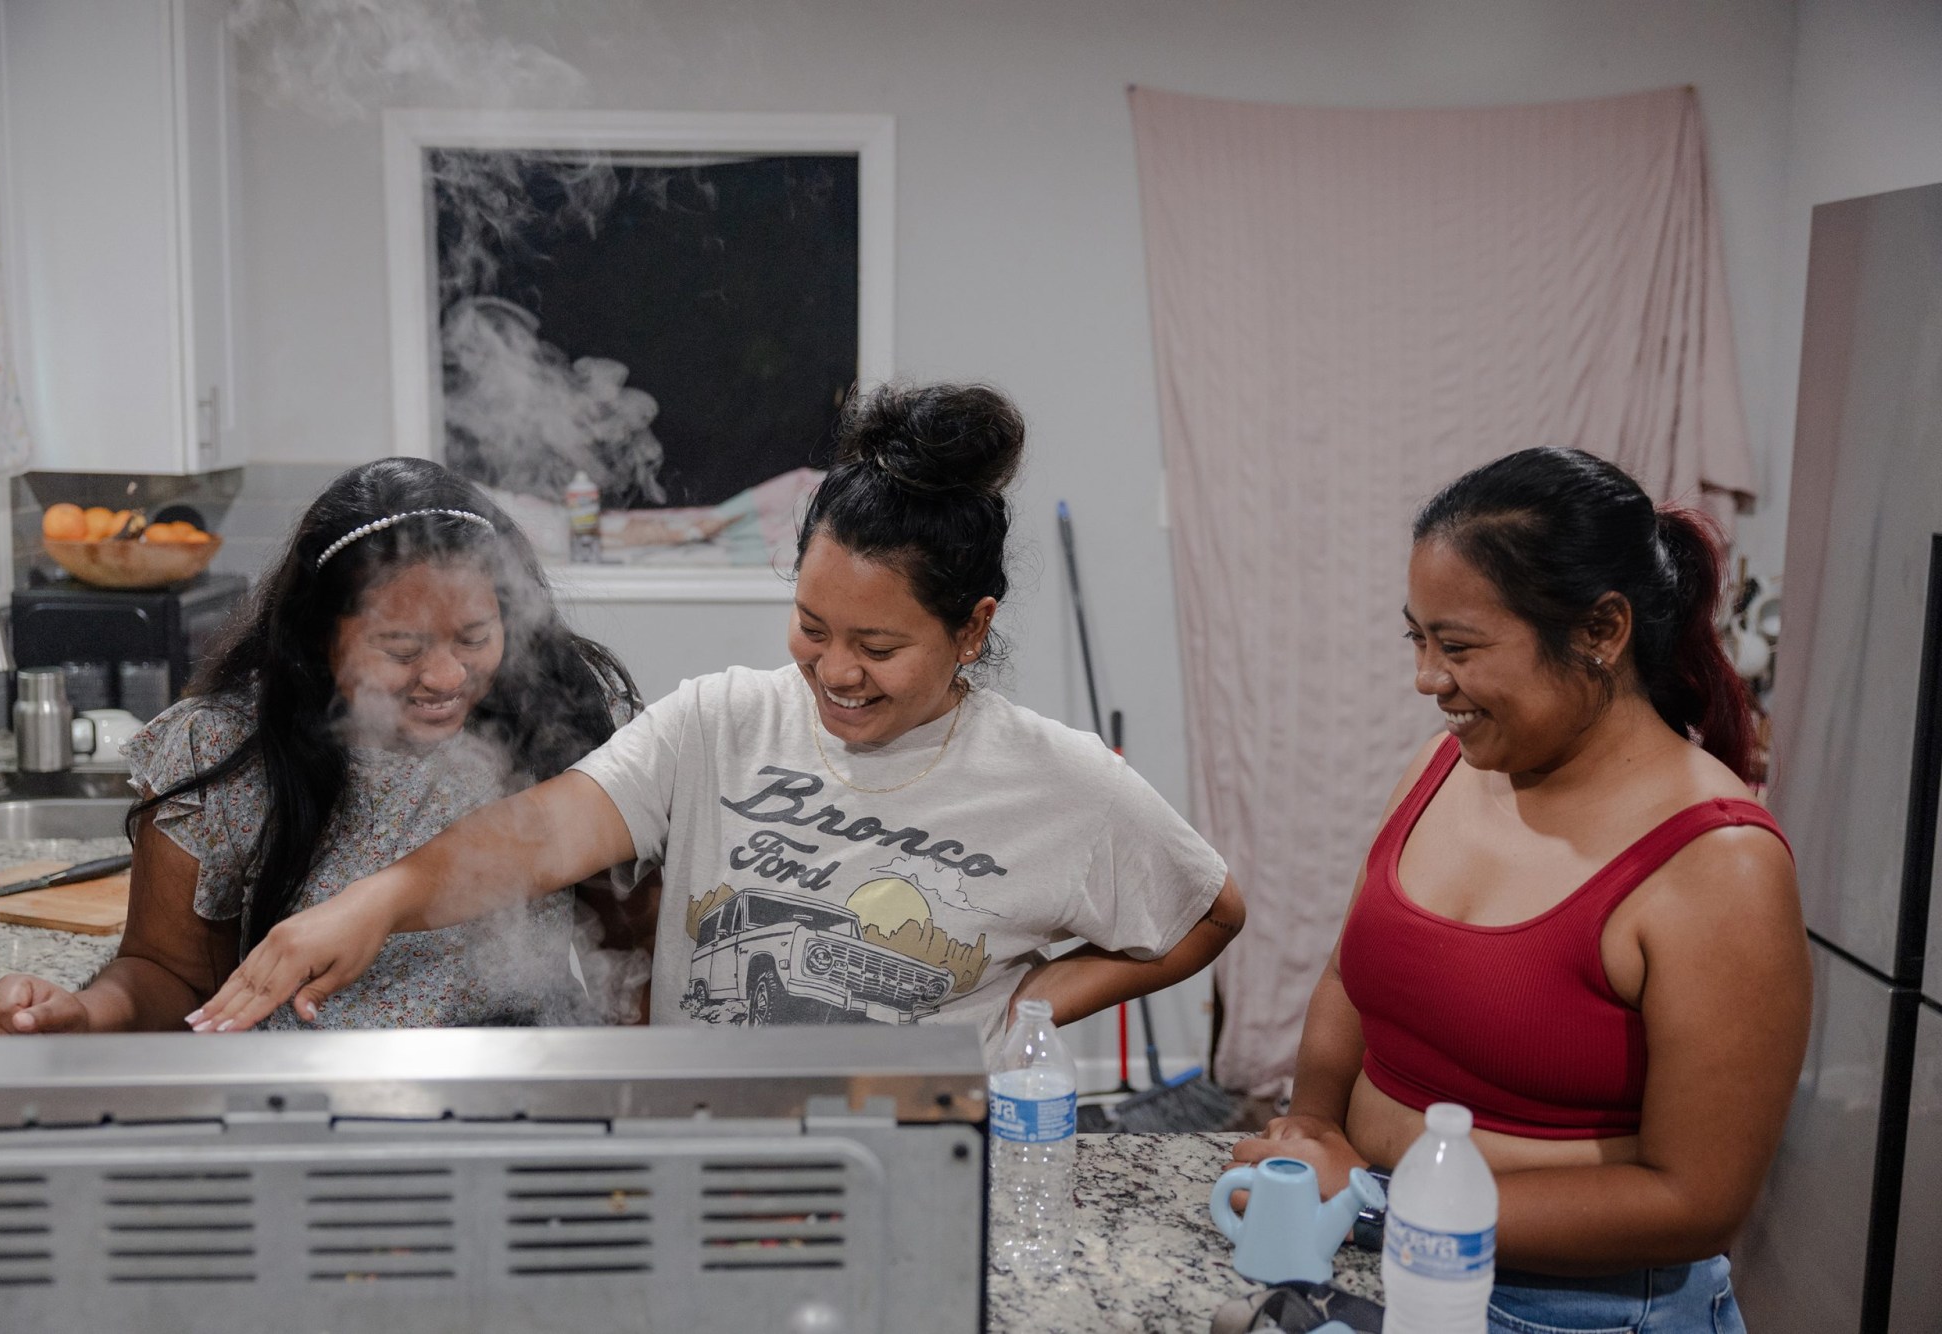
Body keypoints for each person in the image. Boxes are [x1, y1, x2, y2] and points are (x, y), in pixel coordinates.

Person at [186, 383, 1247, 1059]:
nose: (835, 671)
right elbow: (539, 833)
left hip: (923, 1149)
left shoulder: (1052, 776)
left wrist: (1028, 1010)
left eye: (879, 648)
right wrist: (374, 902)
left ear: (972, 630)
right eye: (810, 624)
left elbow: (1207, 909)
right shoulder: (720, 721)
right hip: (712, 1147)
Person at [1230, 448, 1807, 1332]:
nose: (1427, 679)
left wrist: (1386, 1203)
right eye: (1417, 639)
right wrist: (1309, 1132)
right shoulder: (1442, 769)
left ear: (1602, 632)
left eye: (1457, 646)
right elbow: (1354, 980)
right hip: (1377, 1250)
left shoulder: (1718, 863)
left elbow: (1696, 1200)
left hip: (1575, 1312)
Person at [0, 457, 646, 1035]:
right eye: (401, 648)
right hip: (307, 1114)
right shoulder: (221, 752)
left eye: (473, 637)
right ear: (320, 637)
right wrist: (83, 1015)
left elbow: (633, 949)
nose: (445, 676)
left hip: (526, 1102)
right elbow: (167, 975)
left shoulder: (561, 721)